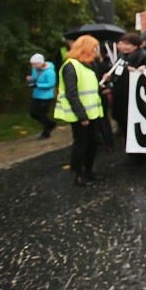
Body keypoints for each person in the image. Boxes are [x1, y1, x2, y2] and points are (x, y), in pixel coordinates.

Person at [54, 35, 104, 187]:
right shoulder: (71, 66)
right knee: (81, 144)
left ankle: (89, 171)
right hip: (80, 115)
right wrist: (82, 116)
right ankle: (78, 175)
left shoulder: (88, 64)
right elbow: (72, 93)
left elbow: (89, 87)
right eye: (94, 47)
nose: (96, 50)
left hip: (93, 112)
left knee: (93, 143)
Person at [26, 53, 57, 139]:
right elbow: (34, 78)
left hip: (46, 97)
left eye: (35, 64)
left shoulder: (50, 72)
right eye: (32, 64)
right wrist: (30, 79)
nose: (33, 66)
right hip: (36, 95)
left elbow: (51, 84)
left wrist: (37, 85)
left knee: (42, 114)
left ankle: (46, 132)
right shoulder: (35, 69)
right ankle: (50, 124)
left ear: (41, 63)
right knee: (33, 113)